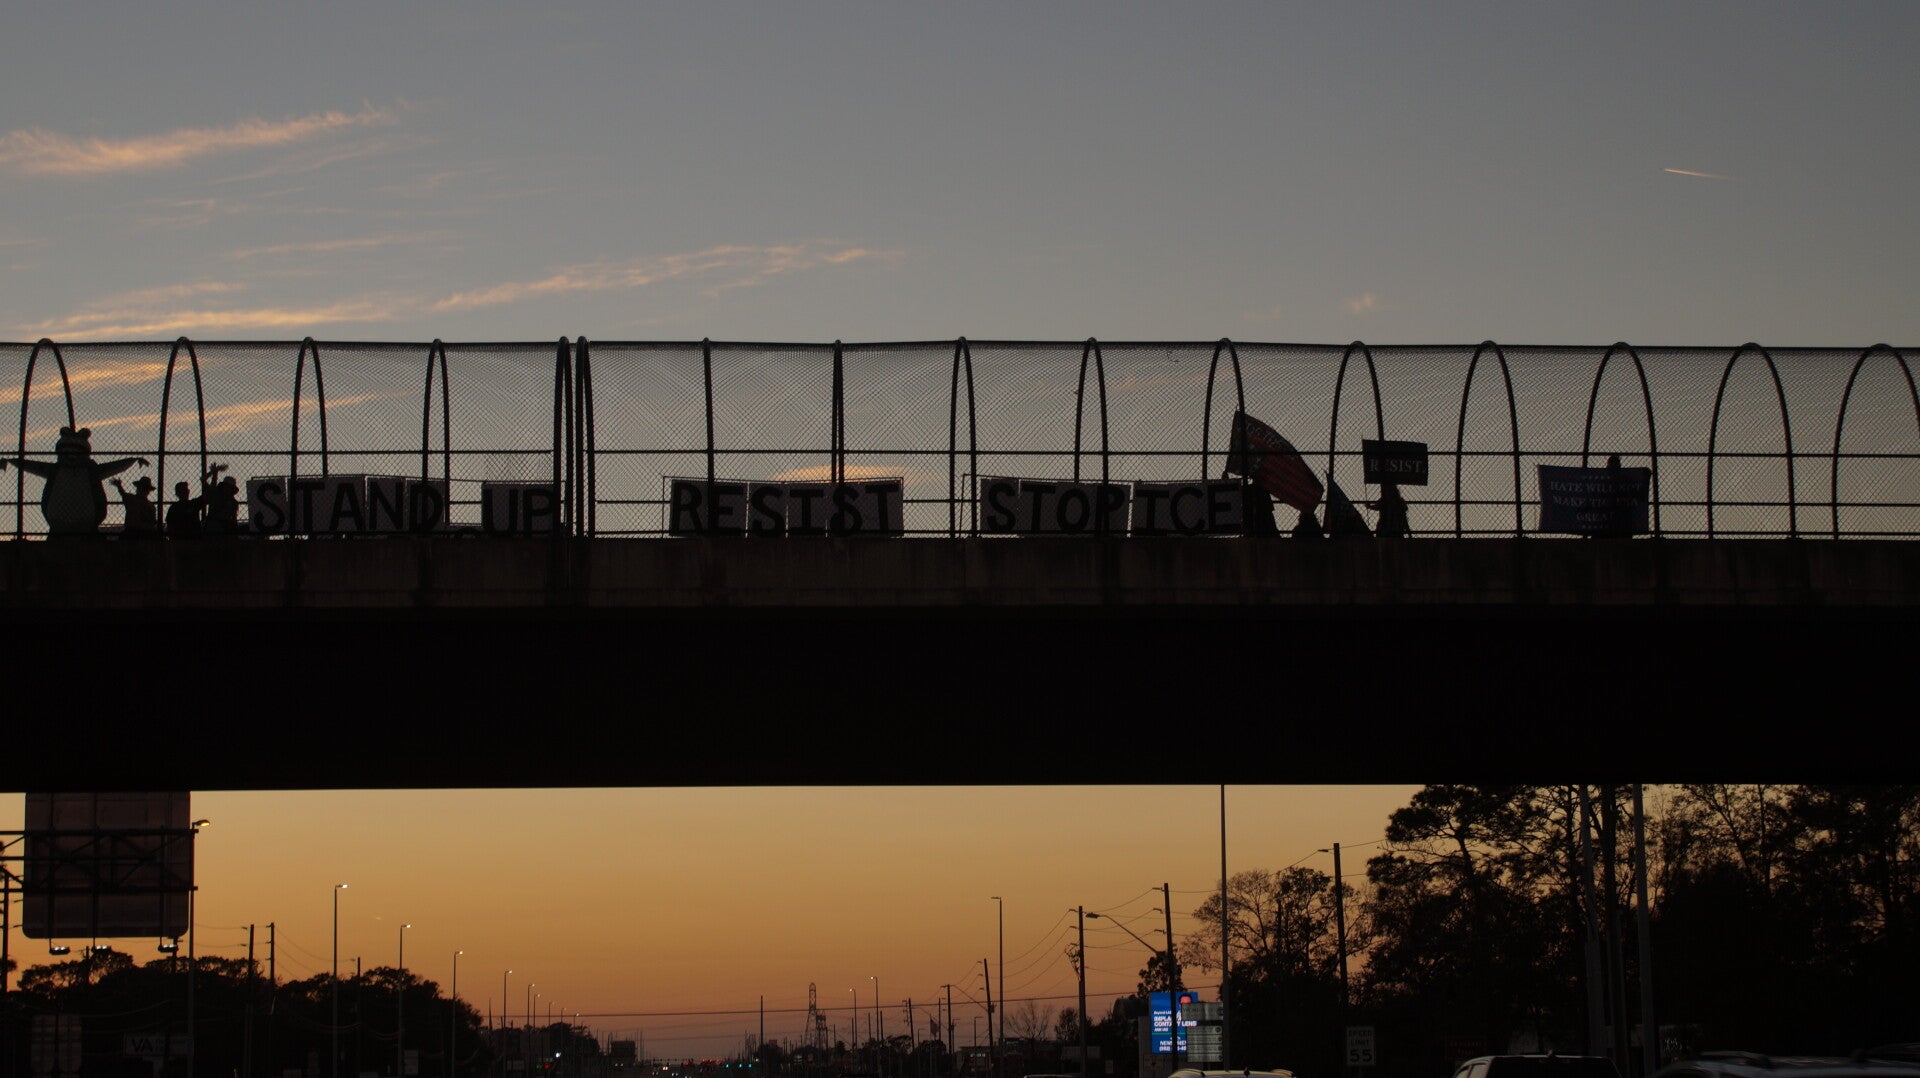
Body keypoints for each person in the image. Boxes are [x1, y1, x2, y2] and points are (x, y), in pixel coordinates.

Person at [202, 469, 240, 535]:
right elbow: (203, 480)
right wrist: (214, 473)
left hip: (223, 529)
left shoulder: (233, 502)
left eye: (229, 487)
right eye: (226, 486)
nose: (227, 489)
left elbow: (234, 518)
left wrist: (214, 473)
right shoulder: (216, 495)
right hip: (214, 528)